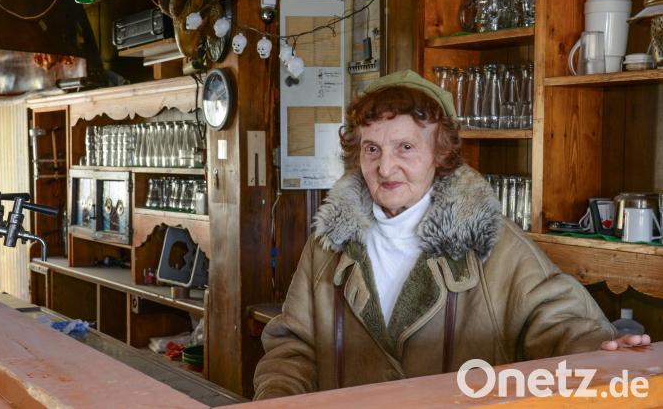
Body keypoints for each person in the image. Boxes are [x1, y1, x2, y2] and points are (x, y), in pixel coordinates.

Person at [253, 70, 651, 400]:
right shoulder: (328, 245)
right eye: (372, 149)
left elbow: (557, 321)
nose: (385, 167)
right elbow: (293, 348)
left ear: (440, 154)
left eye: (405, 147)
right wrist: (276, 398)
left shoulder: (490, 241)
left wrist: (598, 351)